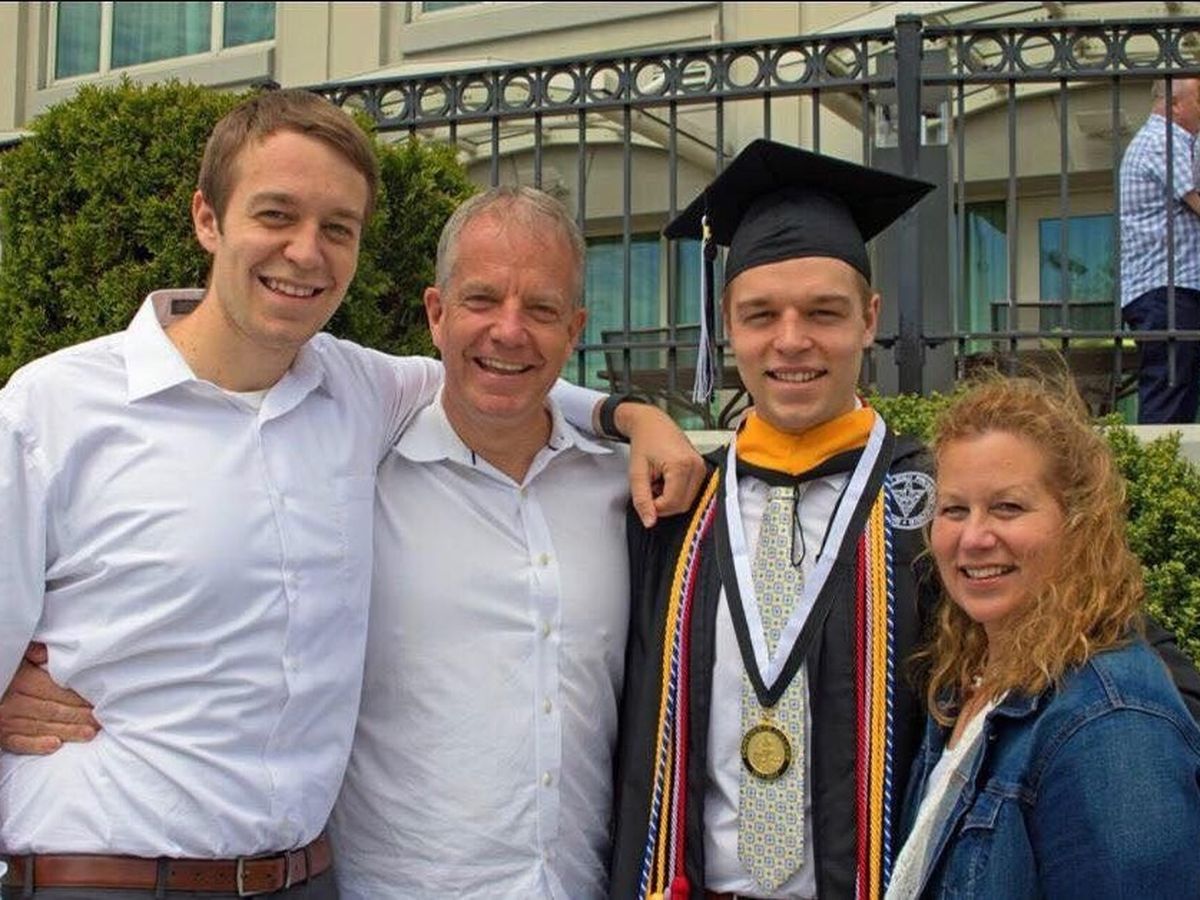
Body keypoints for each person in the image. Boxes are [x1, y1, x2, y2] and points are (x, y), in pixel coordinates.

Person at [0, 90, 701, 898]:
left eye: (338, 228)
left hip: (296, 880)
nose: (306, 251)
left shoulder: (355, 390)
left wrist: (633, 415)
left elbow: (499, 375)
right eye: (276, 215)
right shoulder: (55, 409)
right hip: (96, 874)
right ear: (207, 219)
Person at [609, 139, 1200, 900]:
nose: (791, 340)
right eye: (761, 315)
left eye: (823, 312)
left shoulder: (942, 506)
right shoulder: (674, 509)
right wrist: (620, 413)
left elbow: (1108, 646)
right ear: (727, 325)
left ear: (870, 319)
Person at [328, 186, 633, 898]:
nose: (509, 330)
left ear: (575, 329)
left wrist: (635, 419)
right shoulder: (355, 484)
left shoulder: (627, 490)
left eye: (542, 310)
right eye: (482, 300)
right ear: (436, 313)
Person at [886, 376, 1200, 899]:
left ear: (1078, 522)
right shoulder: (970, 680)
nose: (974, 537)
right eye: (954, 509)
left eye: (1008, 507)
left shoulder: (1113, 725)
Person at [1120, 77, 1200, 424]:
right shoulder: (1163, 141)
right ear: (1176, 105)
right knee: (1169, 392)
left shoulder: (1178, 142)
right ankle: (1153, 455)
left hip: (1170, 290)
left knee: (1179, 390)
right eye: (1199, 100)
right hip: (1166, 291)